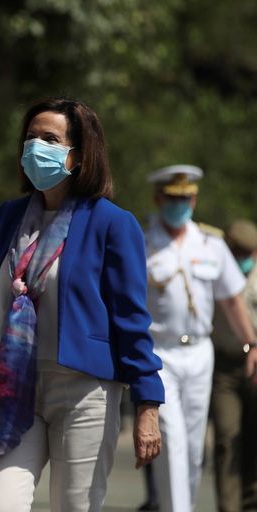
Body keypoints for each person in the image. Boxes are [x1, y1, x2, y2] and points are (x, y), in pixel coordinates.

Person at [0, 96, 164, 512]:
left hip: (84, 392)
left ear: (78, 156)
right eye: (30, 137)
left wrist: (147, 403)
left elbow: (131, 320)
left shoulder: (112, 223)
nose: (35, 147)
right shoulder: (10, 215)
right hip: (16, 385)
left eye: (49, 138)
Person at [144, 165, 257, 512]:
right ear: (159, 198)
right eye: (173, 198)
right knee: (173, 440)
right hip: (159, 352)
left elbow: (231, 299)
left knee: (193, 450)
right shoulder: (142, 242)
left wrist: (252, 344)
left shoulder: (210, 242)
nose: (180, 205)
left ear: (194, 200)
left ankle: (176, 506)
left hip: (199, 353)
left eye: (186, 199)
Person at [211, 219, 257, 512]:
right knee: (227, 437)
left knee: (252, 438)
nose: (242, 257)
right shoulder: (216, 268)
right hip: (224, 365)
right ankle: (229, 507)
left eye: (247, 252)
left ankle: (251, 503)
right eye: (237, 251)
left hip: (255, 366)